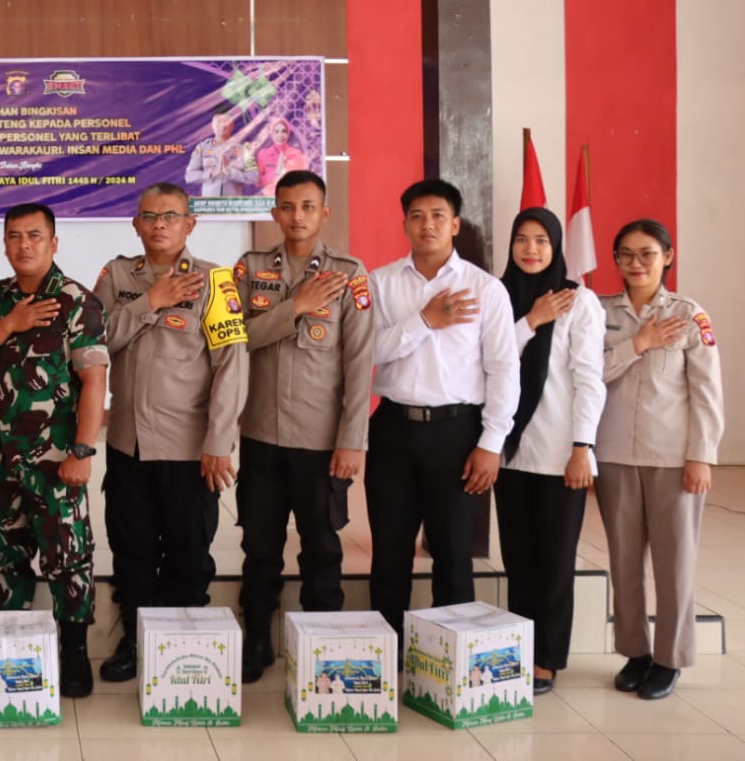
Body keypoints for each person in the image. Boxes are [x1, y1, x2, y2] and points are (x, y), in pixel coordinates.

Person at [92, 182, 248, 683]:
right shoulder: (117, 276)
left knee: (187, 552)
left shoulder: (215, 282)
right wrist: (150, 302)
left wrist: (218, 442)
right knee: (131, 548)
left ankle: (185, 646)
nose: (159, 224)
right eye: (149, 216)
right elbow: (94, 342)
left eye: (170, 216)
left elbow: (231, 366)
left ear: (189, 223)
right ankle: (135, 642)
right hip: (127, 443)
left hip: (189, 449)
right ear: (135, 224)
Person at [232, 170, 373, 683]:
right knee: (260, 546)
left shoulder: (350, 273)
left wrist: (351, 441)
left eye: (308, 207)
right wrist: (296, 307)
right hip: (261, 436)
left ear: (324, 212)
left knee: (322, 545)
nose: (297, 217)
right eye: (287, 207)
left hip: (321, 441)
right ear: (274, 212)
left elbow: (360, 364)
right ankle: (257, 641)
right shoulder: (249, 270)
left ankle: (322, 644)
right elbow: (235, 339)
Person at [366, 178, 519, 641]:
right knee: (389, 551)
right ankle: (385, 656)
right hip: (393, 427)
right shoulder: (381, 282)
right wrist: (424, 321)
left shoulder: (485, 289)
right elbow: (366, 353)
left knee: (453, 554)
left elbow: (504, 371)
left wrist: (491, 443)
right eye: (417, 216)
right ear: (405, 223)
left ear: (455, 224)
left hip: (458, 433)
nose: (427, 225)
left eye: (437, 216)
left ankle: (443, 664)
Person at [0, 203, 108, 698]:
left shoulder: (76, 301)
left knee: (67, 557)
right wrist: (10, 322)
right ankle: (10, 650)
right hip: (3, 459)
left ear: (54, 242)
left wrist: (83, 451)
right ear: (5, 243)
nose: (24, 245)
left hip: (57, 462)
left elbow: (94, 381)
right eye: (14, 236)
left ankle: (73, 652)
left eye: (35, 235)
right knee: (5, 553)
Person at [596, 219, 724, 700]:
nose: (635, 263)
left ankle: (670, 659)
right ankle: (636, 653)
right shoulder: (603, 313)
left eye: (646, 253)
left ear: (667, 256)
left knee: (674, 563)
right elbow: (590, 374)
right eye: (625, 254)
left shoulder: (691, 316)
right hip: (614, 457)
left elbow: (706, 394)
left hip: (674, 459)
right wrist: (637, 344)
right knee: (624, 562)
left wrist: (702, 456)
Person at [493, 207, 606, 694]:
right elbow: (490, 362)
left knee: (556, 561)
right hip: (510, 452)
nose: (531, 249)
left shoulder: (580, 302)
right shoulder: (499, 296)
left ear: (556, 246)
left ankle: (548, 658)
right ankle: (522, 649)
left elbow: (589, 378)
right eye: (522, 239)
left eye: (541, 240)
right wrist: (532, 320)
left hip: (561, 454)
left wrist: (583, 445)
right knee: (519, 561)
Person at [185, 112, 256, 198]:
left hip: (233, 206)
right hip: (210, 205)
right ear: (212, 125)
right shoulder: (202, 148)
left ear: (232, 124)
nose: (223, 125)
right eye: (219, 121)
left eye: (226, 121)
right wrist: (211, 174)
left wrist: (230, 172)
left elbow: (254, 177)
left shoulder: (243, 149)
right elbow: (189, 176)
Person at [255, 118, 308, 196]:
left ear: (288, 133)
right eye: (276, 131)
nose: (280, 135)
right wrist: (276, 172)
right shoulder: (263, 154)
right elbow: (258, 182)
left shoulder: (296, 154)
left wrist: (285, 170)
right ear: (272, 133)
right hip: (268, 199)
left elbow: (302, 180)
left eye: (284, 131)